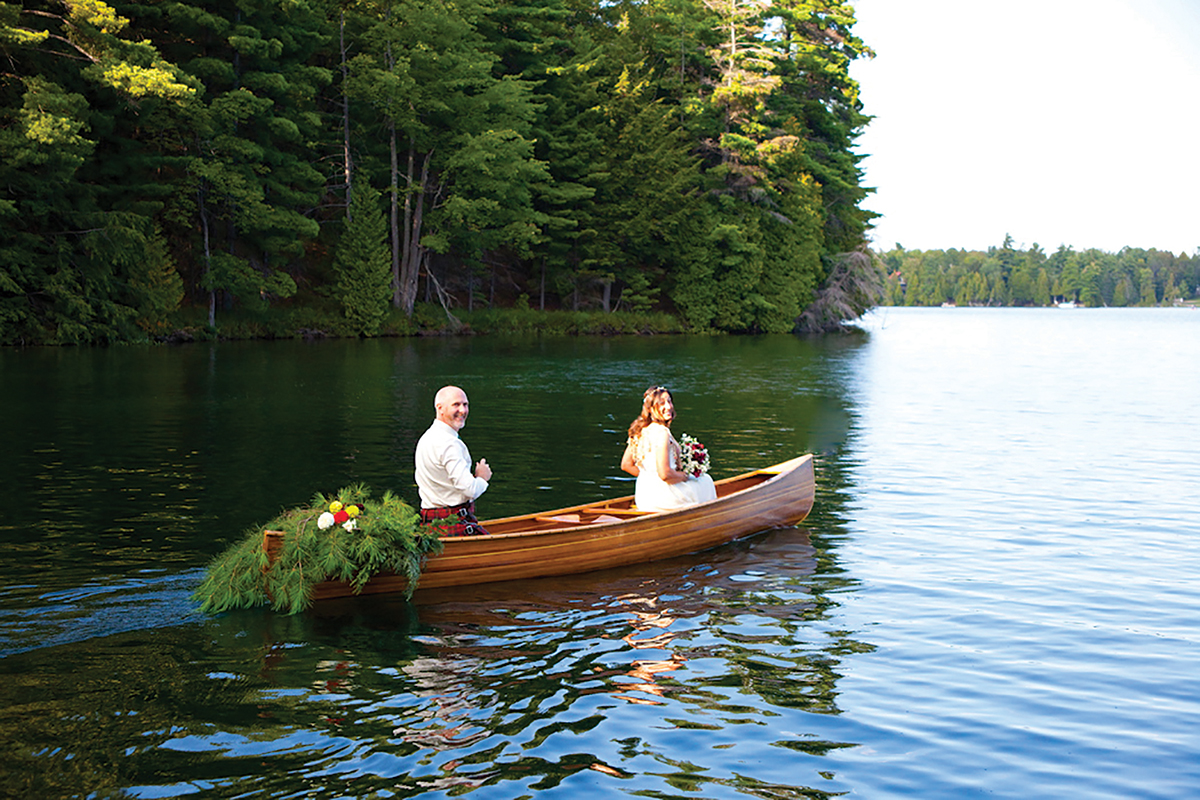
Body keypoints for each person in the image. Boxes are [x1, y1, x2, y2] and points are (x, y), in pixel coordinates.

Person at [620, 385, 716, 512]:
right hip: (664, 498)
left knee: (700, 480)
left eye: (669, 401)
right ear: (650, 408)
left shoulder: (639, 430)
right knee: (705, 481)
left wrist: (650, 479)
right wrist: (684, 476)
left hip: (644, 496)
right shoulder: (661, 433)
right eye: (662, 403)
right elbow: (664, 474)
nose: (668, 407)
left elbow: (626, 465)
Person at [414, 385, 493, 536]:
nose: (463, 410)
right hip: (453, 524)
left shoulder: (427, 437)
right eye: (456, 405)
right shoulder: (449, 443)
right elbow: (469, 489)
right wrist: (482, 478)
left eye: (465, 404)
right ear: (440, 408)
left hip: (431, 525)